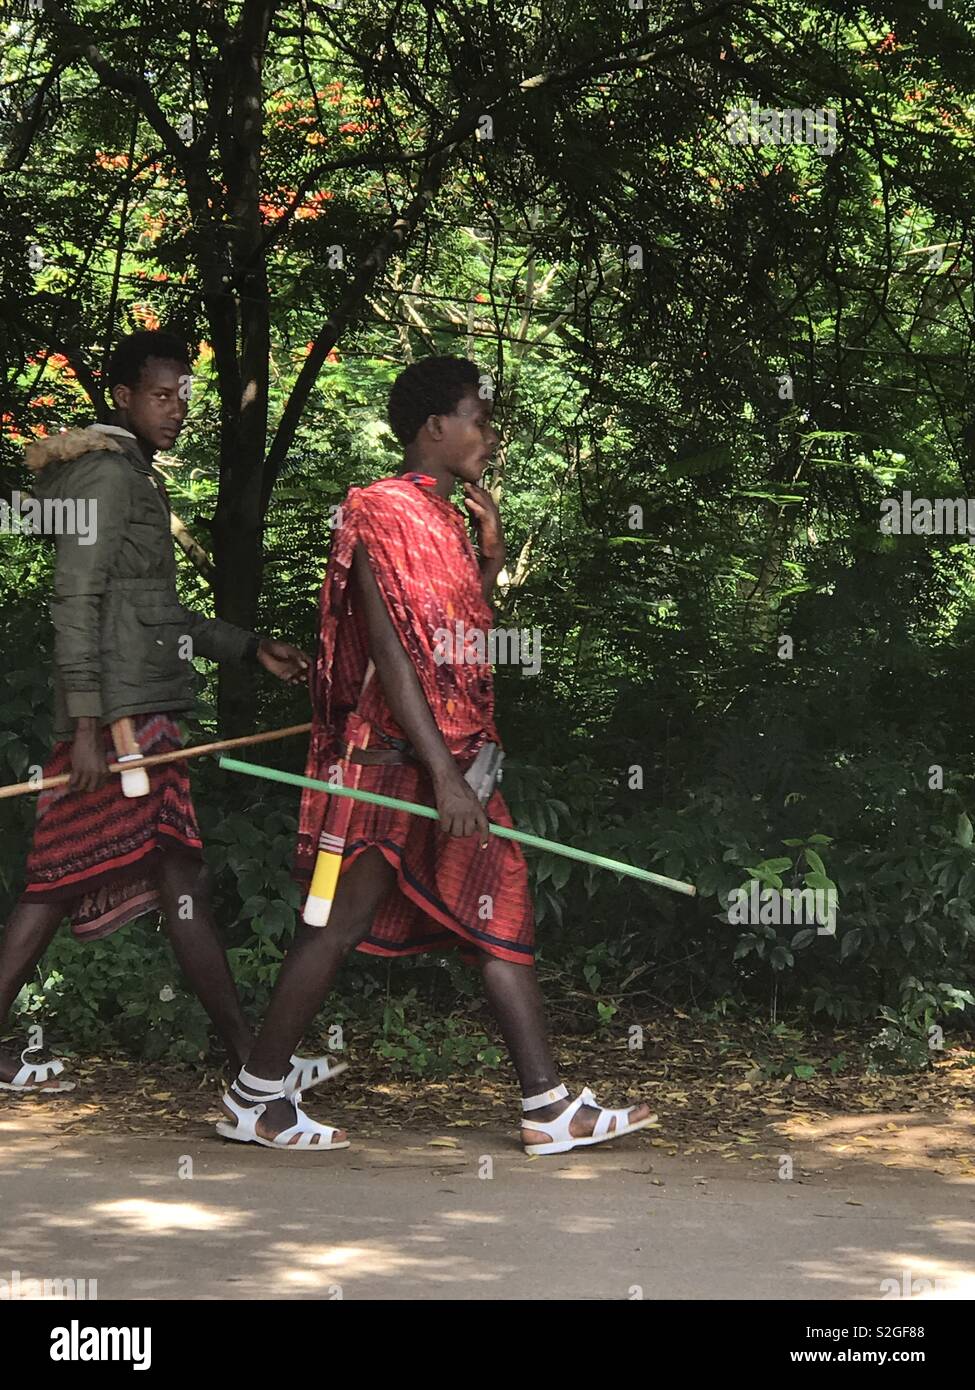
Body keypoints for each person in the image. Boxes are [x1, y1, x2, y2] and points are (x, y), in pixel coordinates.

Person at [216, 355, 655, 1154]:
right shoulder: (379, 510)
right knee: (339, 923)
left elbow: (458, 644)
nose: (489, 435)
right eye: (479, 419)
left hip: (451, 763)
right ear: (434, 427)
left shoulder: (445, 523)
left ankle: (545, 1107)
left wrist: (486, 559)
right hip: (396, 765)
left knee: (496, 909)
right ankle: (256, 1095)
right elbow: (392, 655)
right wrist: (444, 778)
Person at [0, 330, 333, 1098]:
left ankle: (254, 1062)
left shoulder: (136, 480)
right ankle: (255, 1067)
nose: (178, 407)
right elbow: (74, 604)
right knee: (59, 884)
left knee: (164, 877)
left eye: (184, 392)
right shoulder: (110, 480)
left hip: (140, 713)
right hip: (115, 726)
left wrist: (250, 649)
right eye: (160, 393)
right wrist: (85, 726)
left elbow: (158, 615)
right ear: (121, 397)